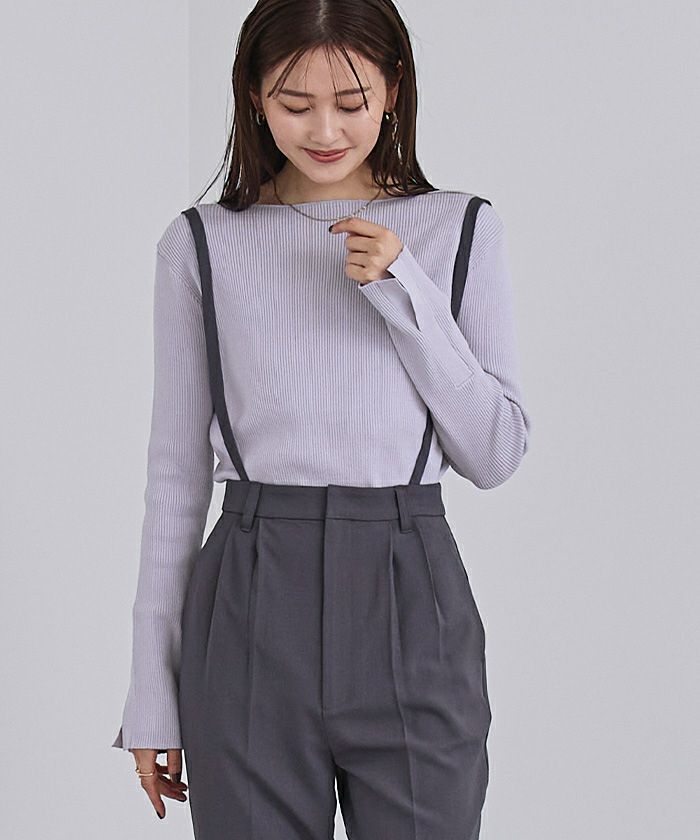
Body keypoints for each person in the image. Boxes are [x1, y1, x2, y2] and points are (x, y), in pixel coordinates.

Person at [111, 0, 532, 836]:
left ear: (394, 89)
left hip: (410, 594)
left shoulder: (459, 229)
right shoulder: (201, 244)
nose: (326, 130)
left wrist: (405, 291)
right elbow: (175, 478)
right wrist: (150, 695)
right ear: (254, 96)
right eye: (295, 104)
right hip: (249, 598)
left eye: (351, 101)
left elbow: (495, 452)